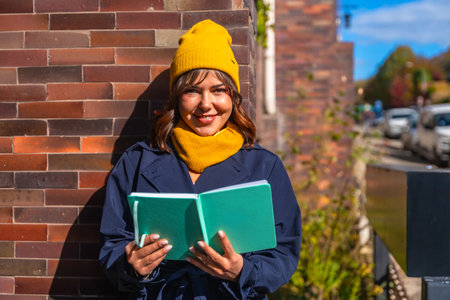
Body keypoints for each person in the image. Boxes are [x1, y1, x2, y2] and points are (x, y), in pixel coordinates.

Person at [99, 19, 302, 299]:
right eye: (192, 90)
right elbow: (112, 243)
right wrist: (131, 265)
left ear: (233, 96)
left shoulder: (264, 167)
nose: (206, 104)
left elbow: (284, 253)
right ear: (177, 97)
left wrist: (243, 270)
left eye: (218, 90)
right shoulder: (137, 162)